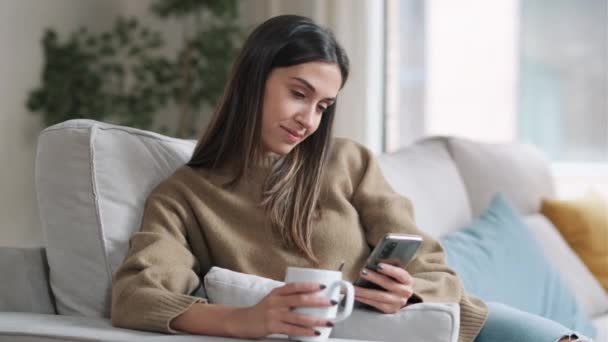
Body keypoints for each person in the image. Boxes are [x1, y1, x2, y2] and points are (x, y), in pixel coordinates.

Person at [111, 15, 591, 342]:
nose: (308, 120)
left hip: (446, 324)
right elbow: (137, 298)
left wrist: (410, 290)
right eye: (299, 93)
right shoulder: (187, 195)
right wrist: (246, 319)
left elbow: (433, 267)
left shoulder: (348, 162)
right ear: (253, 80)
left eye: (323, 106)